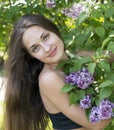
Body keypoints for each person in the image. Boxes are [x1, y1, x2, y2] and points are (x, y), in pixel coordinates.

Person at [4, 14, 112, 130]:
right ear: (31, 56)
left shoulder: (80, 58)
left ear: (54, 30)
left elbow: (109, 56)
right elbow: (96, 123)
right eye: (35, 48)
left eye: (45, 37)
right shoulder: (49, 79)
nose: (47, 48)